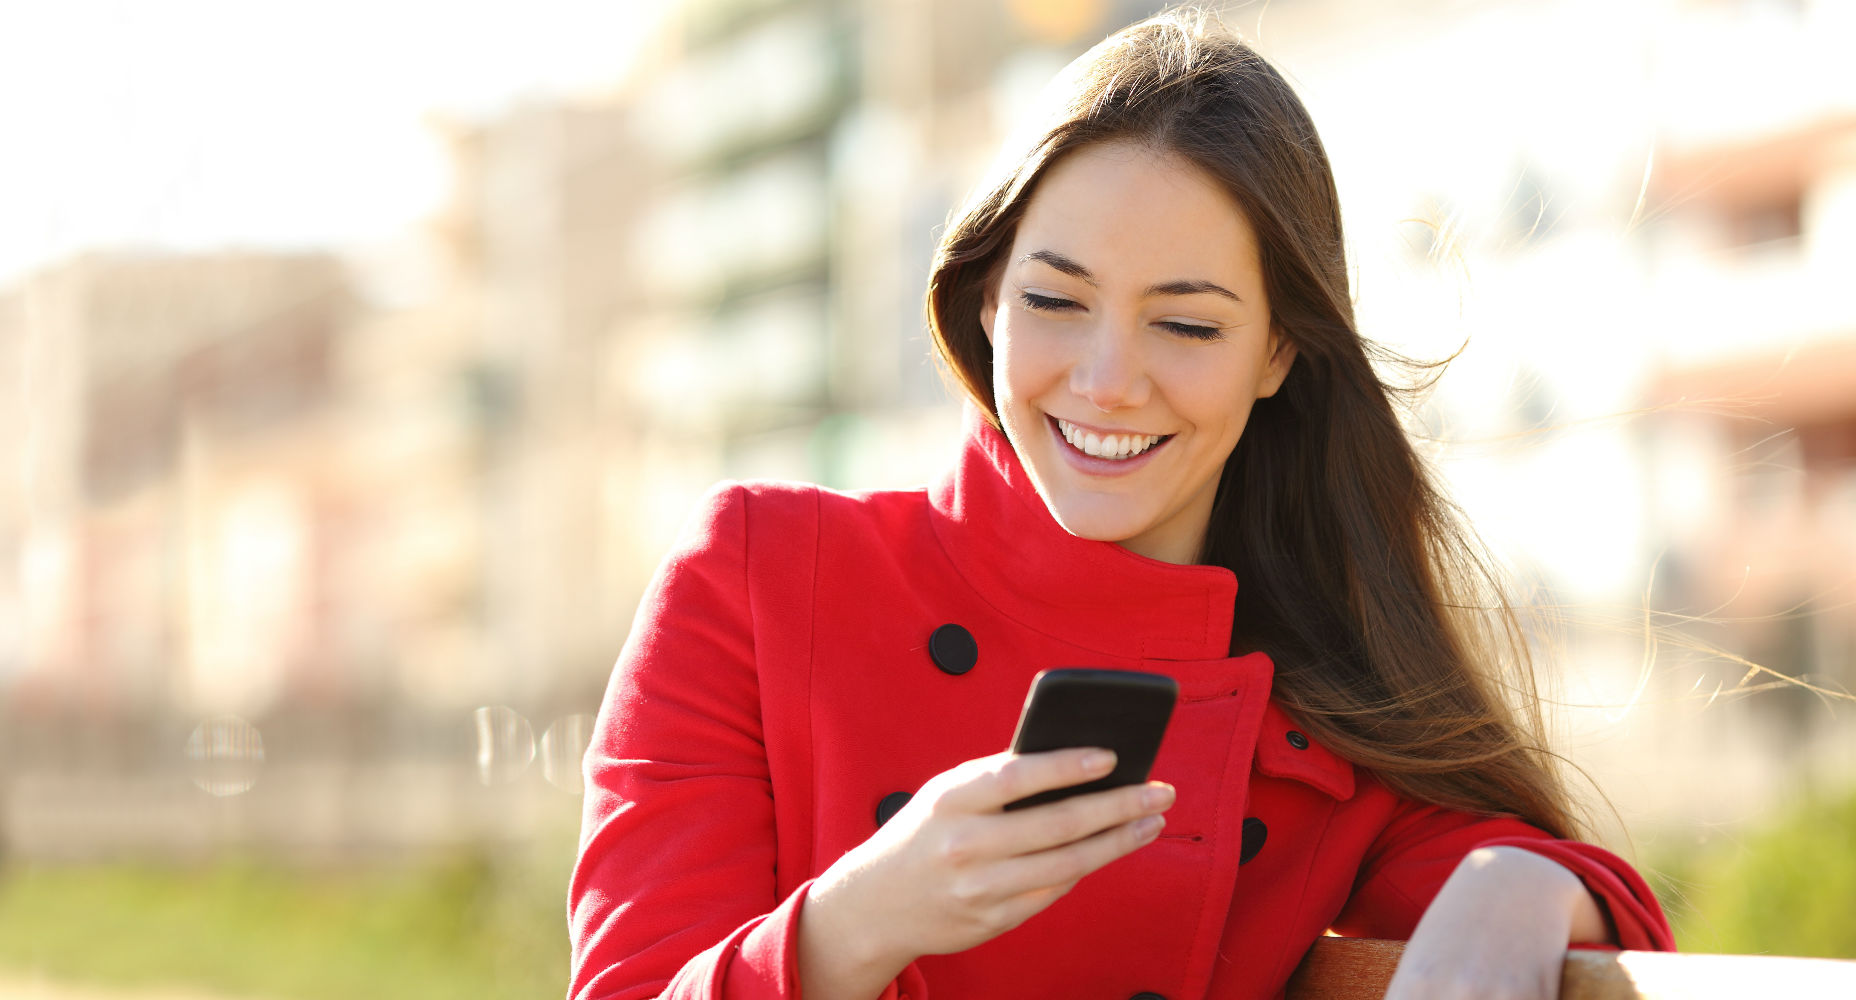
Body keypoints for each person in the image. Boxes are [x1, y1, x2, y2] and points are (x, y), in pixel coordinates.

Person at [567, 7, 1673, 1000]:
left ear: (1279, 350)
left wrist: (1515, 882)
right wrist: (859, 920)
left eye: (1185, 325)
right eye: (1056, 299)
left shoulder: (1326, 727)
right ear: (987, 295)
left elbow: (1572, 894)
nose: (1106, 379)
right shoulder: (760, 577)